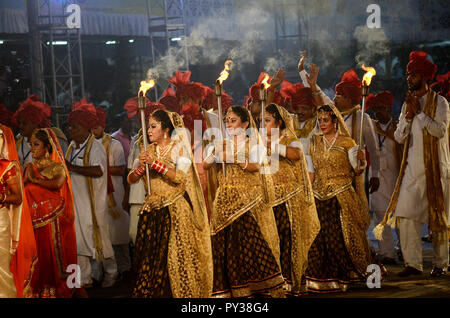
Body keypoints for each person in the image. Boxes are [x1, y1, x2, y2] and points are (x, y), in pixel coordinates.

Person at [375, 51, 449, 278]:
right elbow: (398, 137)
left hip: (437, 169)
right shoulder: (408, 105)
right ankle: (413, 265)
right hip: (412, 170)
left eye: (414, 74)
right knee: (405, 215)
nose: (409, 78)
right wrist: (408, 117)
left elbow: (439, 130)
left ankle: (441, 264)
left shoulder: (441, 102)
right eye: (408, 74)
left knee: (440, 219)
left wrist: (419, 115)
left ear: (425, 77)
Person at [128, 109, 212, 298]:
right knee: (150, 257)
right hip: (151, 209)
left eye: (153, 126)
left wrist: (155, 163)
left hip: (174, 209)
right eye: (148, 126)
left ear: (165, 129)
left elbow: (179, 178)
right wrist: (141, 168)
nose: (148, 131)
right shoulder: (146, 150)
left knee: (174, 256)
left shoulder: (179, 149)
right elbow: (131, 179)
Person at [203, 105, 285, 298]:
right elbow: (206, 164)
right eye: (227, 121)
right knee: (223, 246)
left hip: (247, 201)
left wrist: (238, 159)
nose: (229, 124)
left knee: (248, 245)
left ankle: (257, 288)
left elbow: (257, 166)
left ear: (246, 123)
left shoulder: (254, 144)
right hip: (224, 201)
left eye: (233, 121)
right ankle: (228, 289)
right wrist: (216, 154)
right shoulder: (221, 144)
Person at [303, 104, 374, 293]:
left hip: (341, 194)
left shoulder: (348, 142)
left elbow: (357, 169)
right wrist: (306, 192)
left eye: (325, 120)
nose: (322, 124)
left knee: (340, 236)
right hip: (319, 195)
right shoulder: (313, 141)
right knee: (318, 236)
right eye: (319, 120)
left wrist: (362, 160)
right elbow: (311, 172)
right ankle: (322, 279)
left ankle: (346, 275)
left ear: (335, 121)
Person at [262, 103, 320, 296]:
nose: (264, 124)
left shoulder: (291, 139)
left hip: (287, 201)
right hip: (268, 198)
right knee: (269, 241)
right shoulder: (259, 141)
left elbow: (296, 155)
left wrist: (273, 146)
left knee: (286, 240)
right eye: (262, 120)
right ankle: (272, 282)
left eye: (268, 120)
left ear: (279, 122)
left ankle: (288, 282)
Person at [65, 99, 117, 288]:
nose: (71, 131)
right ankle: (84, 279)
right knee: (79, 240)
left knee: (100, 238)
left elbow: (98, 170)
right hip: (77, 202)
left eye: (75, 128)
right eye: (70, 127)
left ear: (87, 129)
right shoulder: (71, 146)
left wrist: (73, 168)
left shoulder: (95, 147)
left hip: (94, 204)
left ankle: (112, 272)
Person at [23, 128, 78, 297]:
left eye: (36, 144)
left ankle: (62, 287)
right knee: (39, 254)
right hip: (34, 221)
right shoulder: (29, 166)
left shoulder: (57, 167)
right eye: (31, 145)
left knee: (56, 255)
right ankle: (40, 289)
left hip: (55, 221)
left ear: (47, 147)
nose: (32, 148)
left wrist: (35, 180)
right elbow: (21, 186)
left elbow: (57, 184)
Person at [92, 106, 131, 282]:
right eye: (90, 128)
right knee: (103, 235)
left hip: (114, 196)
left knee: (119, 235)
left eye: (95, 127)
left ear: (102, 126)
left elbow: (121, 169)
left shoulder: (114, 144)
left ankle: (125, 269)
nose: (93, 131)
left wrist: (97, 170)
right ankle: (102, 272)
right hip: (96, 197)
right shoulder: (89, 146)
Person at [0, 124, 37, 298]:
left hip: (1, 221)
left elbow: (17, 198)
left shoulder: (8, 167)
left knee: (2, 266)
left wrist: (1, 198)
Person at [366, 91, 402, 264]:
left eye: (380, 109)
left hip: (396, 176)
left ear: (388, 108)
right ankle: (387, 253)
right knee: (380, 215)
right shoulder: (370, 126)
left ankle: (405, 250)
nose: (377, 112)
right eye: (374, 110)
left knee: (401, 216)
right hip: (376, 177)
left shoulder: (399, 127)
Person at [13, 94, 68, 166]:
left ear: (36, 124)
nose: (20, 126)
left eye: (24, 123)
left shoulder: (53, 139)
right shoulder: (18, 142)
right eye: (19, 123)